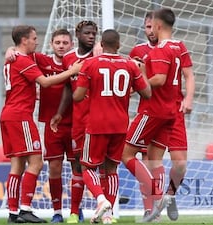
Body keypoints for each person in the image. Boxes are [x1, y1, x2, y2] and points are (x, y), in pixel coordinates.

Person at [1, 25, 81, 224]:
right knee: (36, 161)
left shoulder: (14, 59)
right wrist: (72, 71)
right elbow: (44, 83)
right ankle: (25, 209)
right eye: (34, 38)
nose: (37, 42)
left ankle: (13, 213)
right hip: (20, 116)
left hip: (9, 114)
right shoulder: (23, 59)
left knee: (17, 165)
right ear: (24, 40)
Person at [73, 29, 151, 224]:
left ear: (101, 44)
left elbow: (78, 96)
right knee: (112, 169)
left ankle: (101, 200)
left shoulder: (90, 64)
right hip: (120, 125)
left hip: (97, 124)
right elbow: (147, 93)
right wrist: (139, 73)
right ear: (118, 45)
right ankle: (108, 216)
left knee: (88, 167)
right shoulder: (130, 65)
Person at [121, 8, 192, 223]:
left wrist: (189, 98)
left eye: (152, 26)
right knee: (152, 160)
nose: (150, 30)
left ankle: (165, 195)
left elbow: (163, 78)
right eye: (146, 26)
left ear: (158, 26)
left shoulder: (169, 48)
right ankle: (153, 207)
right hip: (157, 109)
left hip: (161, 111)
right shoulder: (139, 50)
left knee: (177, 164)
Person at [50, 20, 98, 224]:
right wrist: (60, 112)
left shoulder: (100, 55)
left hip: (98, 119)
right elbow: (68, 88)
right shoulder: (69, 58)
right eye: (88, 33)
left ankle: (104, 210)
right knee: (77, 165)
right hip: (78, 121)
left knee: (101, 166)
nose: (92, 36)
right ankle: (73, 212)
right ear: (77, 35)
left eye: (94, 33)